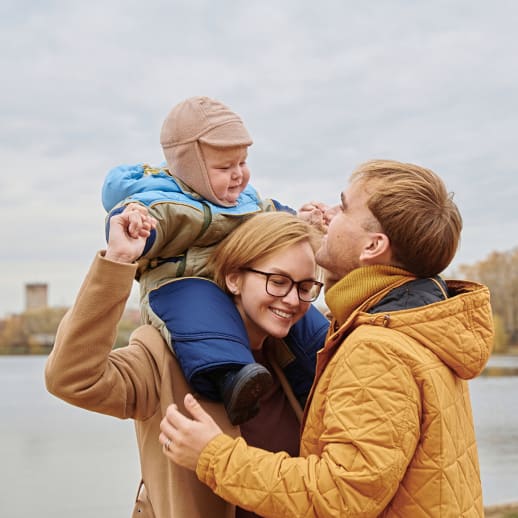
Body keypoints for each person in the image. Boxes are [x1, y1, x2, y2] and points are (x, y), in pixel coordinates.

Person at [159, 159, 494, 517]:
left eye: (343, 206)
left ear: (373, 246)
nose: (329, 214)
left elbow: (341, 496)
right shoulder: (416, 325)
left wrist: (214, 456)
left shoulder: (378, 349)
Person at [45, 208, 326, 518]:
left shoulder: (300, 361)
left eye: (304, 287)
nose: (292, 300)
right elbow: (72, 378)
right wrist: (118, 262)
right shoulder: (164, 357)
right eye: (278, 281)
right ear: (234, 278)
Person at [101, 95, 328, 424]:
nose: (238, 175)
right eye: (225, 167)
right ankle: (231, 378)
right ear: (190, 168)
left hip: (233, 286)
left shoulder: (243, 200)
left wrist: (302, 221)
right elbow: (143, 220)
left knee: (299, 305)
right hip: (179, 290)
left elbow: (269, 217)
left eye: (242, 163)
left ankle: (327, 368)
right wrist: (136, 228)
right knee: (201, 305)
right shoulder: (166, 201)